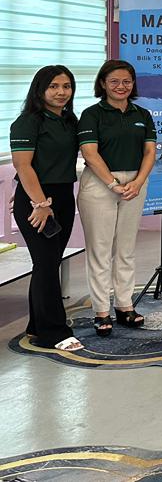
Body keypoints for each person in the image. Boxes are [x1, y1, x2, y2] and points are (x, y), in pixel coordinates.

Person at [77, 60, 157, 336]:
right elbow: (90, 153)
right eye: (114, 81)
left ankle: (124, 306)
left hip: (135, 184)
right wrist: (112, 184)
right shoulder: (91, 114)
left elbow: (150, 152)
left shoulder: (142, 114)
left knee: (126, 248)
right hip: (100, 184)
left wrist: (138, 182)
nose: (121, 86)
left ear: (133, 84)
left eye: (126, 81)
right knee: (100, 250)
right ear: (103, 83)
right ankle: (101, 311)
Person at [9, 66, 83, 351]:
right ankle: (54, 332)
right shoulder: (28, 122)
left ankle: (37, 325)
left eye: (66, 86)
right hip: (37, 200)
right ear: (39, 89)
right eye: (53, 86)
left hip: (63, 196)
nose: (61, 92)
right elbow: (23, 165)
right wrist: (39, 203)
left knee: (48, 263)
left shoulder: (68, 120)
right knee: (46, 264)